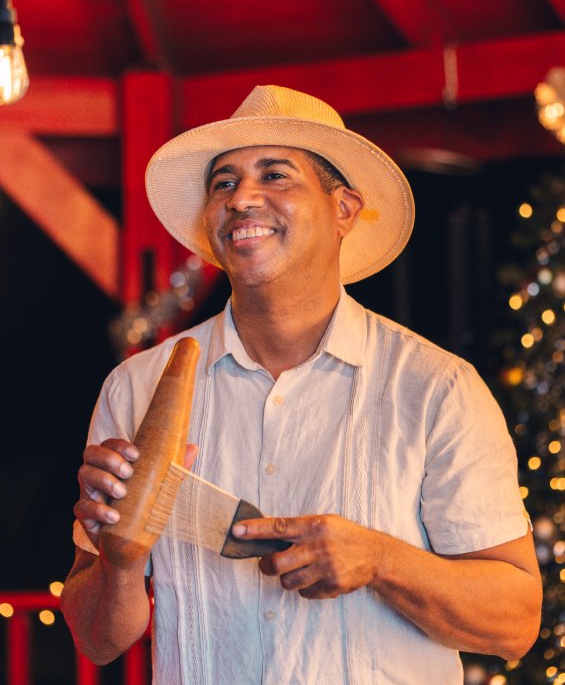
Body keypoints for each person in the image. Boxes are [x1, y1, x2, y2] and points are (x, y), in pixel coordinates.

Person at [61, 85, 542, 684]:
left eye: (276, 175)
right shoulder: (136, 388)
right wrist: (121, 562)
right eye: (224, 183)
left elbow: (516, 622)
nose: (243, 199)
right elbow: (94, 639)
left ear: (343, 209)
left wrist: (380, 561)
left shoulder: (437, 388)